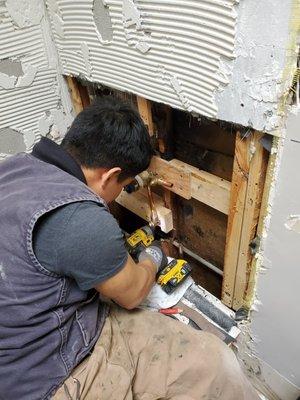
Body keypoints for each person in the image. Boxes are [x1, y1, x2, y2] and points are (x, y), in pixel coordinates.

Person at [0, 97, 260, 400]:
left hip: (13, 351)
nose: (119, 193)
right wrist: (155, 255)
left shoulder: (15, 168)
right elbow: (133, 293)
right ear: (110, 176)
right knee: (216, 362)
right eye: (123, 186)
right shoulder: (79, 219)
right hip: (45, 375)